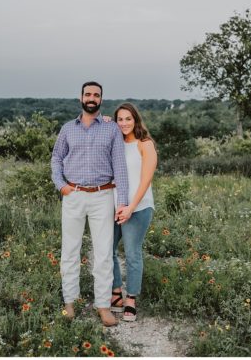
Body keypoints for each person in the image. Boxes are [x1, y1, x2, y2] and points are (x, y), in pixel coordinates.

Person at [50, 81, 129, 327]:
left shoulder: (111, 129)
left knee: (104, 253)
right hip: (73, 195)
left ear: (101, 100)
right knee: (70, 250)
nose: (91, 97)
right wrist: (60, 185)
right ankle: (69, 302)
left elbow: (120, 167)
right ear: (81, 97)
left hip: (102, 196)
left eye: (96, 94)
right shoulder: (67, 129)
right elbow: (56, 158)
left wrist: (123, 202)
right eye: (88, 94)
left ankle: (103, 306)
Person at [109, 102, 157, 322]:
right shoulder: (115, 143)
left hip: (138, 207)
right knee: (107, 250)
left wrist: (130, 207)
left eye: (128, 119)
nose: (124, 123)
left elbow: (145, 180)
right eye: (120, 119)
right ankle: (116, 293)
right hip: (114, 206)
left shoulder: (144, 144)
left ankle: (131, 300)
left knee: (131, 253)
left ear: (136, 120)